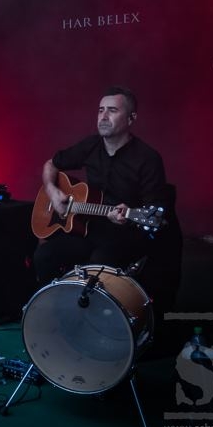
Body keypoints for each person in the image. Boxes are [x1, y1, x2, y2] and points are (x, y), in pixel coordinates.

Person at [33, 86, 168, 286]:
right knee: (44, 256)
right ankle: (54, 303)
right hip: (89, 229)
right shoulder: (91, 145)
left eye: (112, 110)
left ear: (131, 118)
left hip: (124, 236)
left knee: (97, 265)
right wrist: (53, 193)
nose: (103, 116)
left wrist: (128, 216)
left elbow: (157, 215)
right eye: (100, 110)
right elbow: (50, 165)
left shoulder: (148, 158)